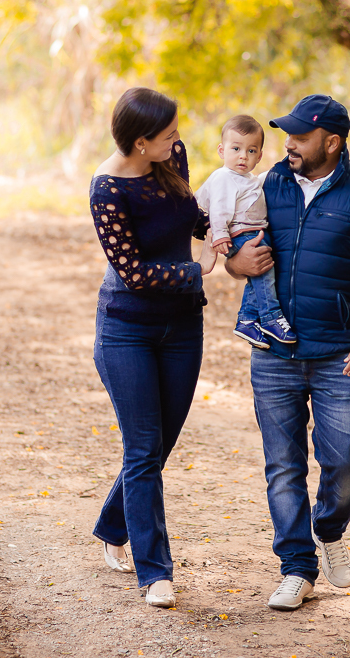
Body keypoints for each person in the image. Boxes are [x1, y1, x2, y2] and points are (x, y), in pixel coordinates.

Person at [224, 94, 350, 611]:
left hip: (339, 356)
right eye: (286, 135)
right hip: (273, 352)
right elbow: (237, 254)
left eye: (299, 137)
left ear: (332, 142)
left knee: (345, 457)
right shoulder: (269, 184)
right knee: (283, 466)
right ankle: (297, 569)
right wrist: (240, 263)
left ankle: (329, 530)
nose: (287, 145)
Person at [88, 87, 208, 609]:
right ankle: (154, 571)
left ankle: (115, 521)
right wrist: (198, 268)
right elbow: (133, 272)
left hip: (183, 326)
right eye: (168, 134)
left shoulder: (170, 159)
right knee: (142, 450)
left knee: (157, 448)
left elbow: (193, 217)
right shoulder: (107, 189)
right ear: (140, 143)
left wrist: (229, 235)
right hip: (126, 330)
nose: (177, 140)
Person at [195, 115, 297, 348]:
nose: (243, 156)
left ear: (259, 156)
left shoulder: (246, 179)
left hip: (254, 233)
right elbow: (219, 209)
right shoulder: (224, 177)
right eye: (236, 148)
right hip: (240, 235)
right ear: (222, 150)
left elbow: (256, 186)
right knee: (263, 273)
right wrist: (219, 235)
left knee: (259, 272)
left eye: (251, 151)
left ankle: (248, 320)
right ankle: (270, 317)